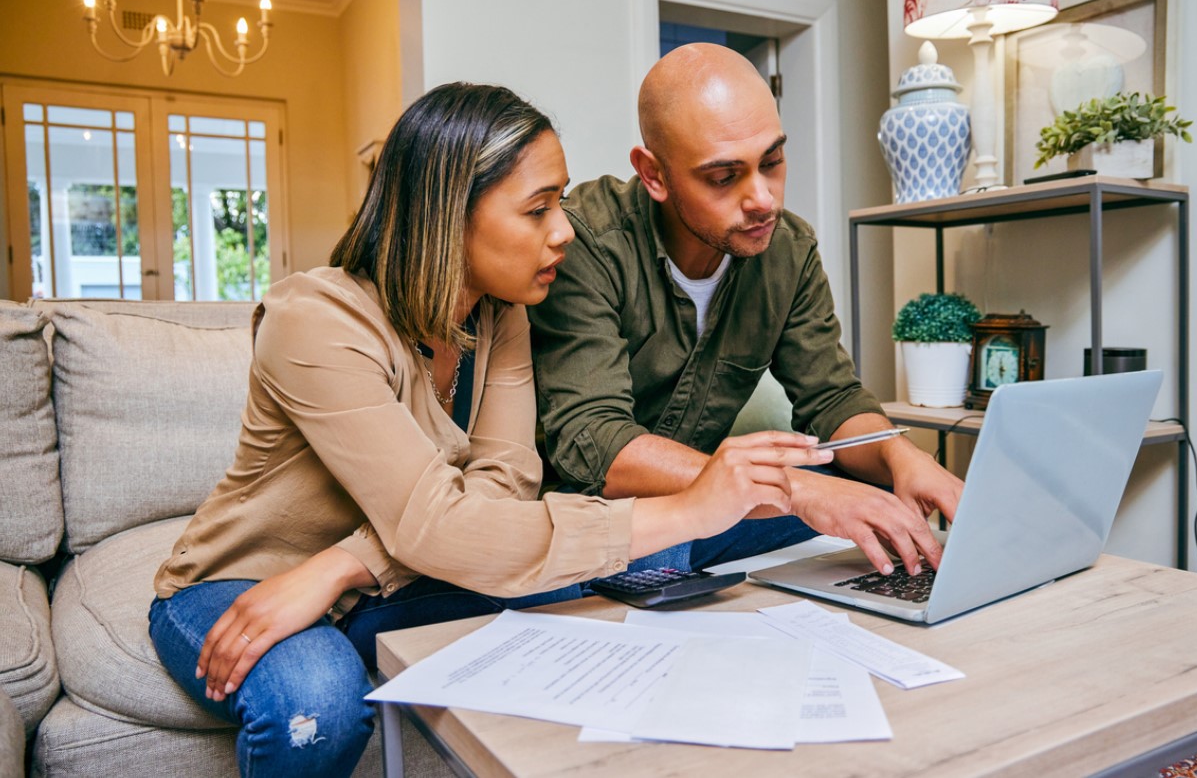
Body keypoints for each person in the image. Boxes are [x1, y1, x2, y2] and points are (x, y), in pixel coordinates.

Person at [147, 82, 832, 778]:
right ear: (446, 217)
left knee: (607, 586)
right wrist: (689, 507)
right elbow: (442, 525)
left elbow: (502, 491)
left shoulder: (500, 315)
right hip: (249, 579)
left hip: (379, 578)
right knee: (318, 703)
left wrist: (343, 568)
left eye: (560, 201)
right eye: (538, 209)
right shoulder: (313, 320)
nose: (563, 229)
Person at [527, 43, 965, 581]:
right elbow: (595, 439)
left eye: (773, 161)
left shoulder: (789, 249)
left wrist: (899, 453)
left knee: (878, 500)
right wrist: (796, 488)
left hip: (717, 513)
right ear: (654, 174)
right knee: (689, 546)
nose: (763, 199)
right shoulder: (584, 241)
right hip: (602, 518)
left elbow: (831, 398)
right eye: (723, 177)